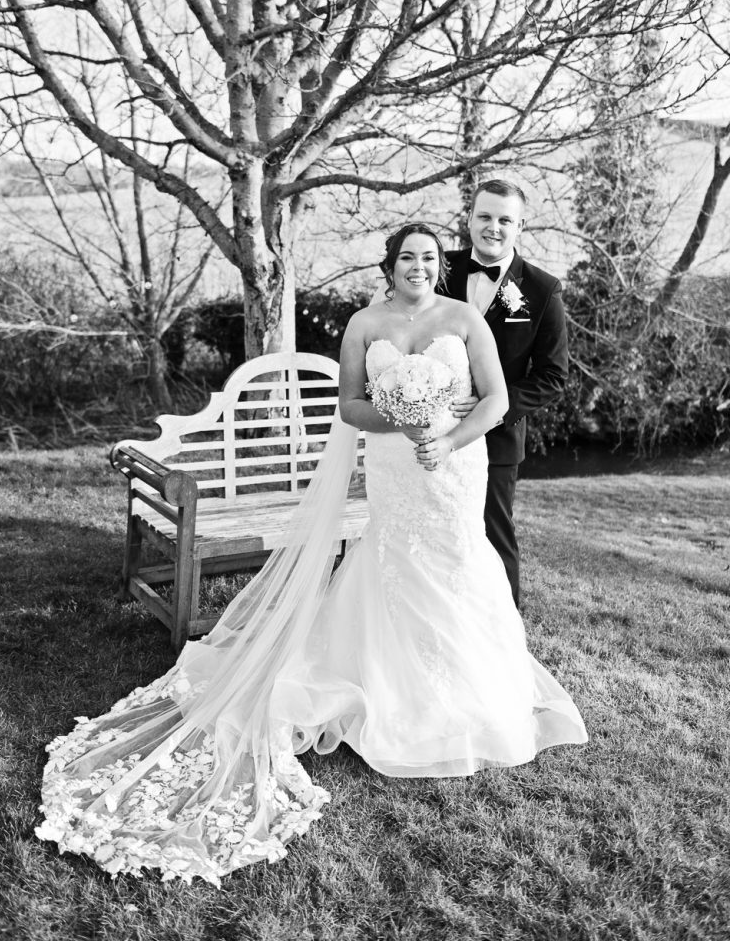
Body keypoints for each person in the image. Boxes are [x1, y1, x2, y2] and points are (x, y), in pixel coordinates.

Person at [35, 223, 586, 888]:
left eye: (429, 258)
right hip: (392, 467)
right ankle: (385, 688)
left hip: (454, 466)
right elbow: (352, 407)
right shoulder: (363, 324)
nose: (418, 266)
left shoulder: (465, 318)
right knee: (394, 564)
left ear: (440, 266)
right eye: (407, 257)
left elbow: (496, 399)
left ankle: (467, 697)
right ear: (389, 265)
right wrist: (402, 420)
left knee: (461, 564)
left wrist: (446, 439)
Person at [439, 181, 569, 608]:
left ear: (520, 226)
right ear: (470, 219)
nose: (493, 228)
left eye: (505, 220)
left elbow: (553, 376)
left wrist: (493, 405)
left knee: (495, 534)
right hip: (429, 425)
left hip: (495, 439)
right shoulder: (438, 269)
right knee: (435, 529)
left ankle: (506, 631)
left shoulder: (542, 290)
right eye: (485, 216)